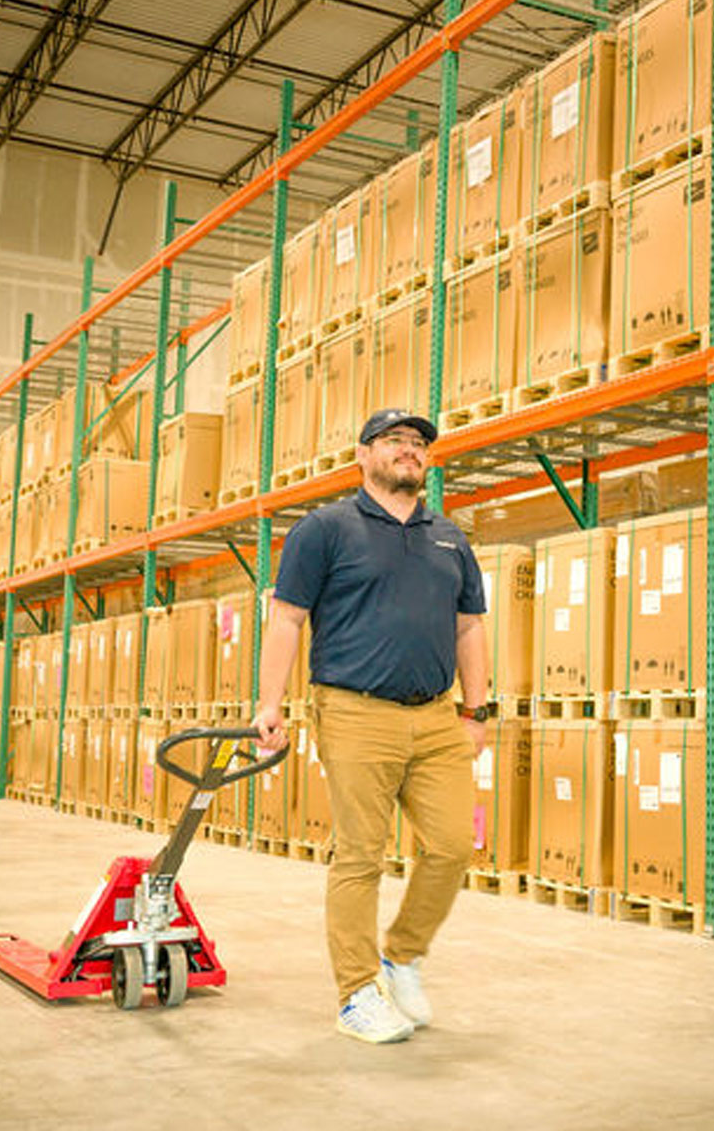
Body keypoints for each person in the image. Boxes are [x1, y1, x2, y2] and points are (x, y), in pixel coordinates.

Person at [255, 408, 497, 1044]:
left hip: (437, 716)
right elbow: (286, 619)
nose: (409, 451)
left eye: (418, 444)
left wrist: (477, 710)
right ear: (362, 456)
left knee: (452, 846)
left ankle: (402, 955)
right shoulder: (325, 529)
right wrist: (269, 703)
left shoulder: (450, 537)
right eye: (394, 442)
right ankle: (357, 992)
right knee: (361, 855)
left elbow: (470, 625)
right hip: (355, 711)